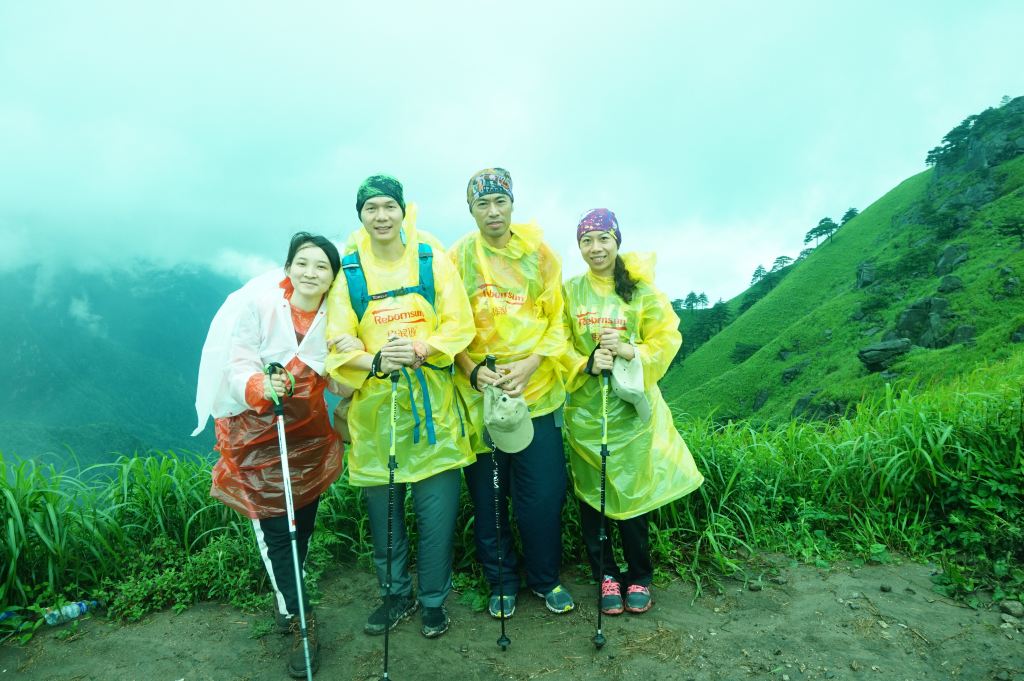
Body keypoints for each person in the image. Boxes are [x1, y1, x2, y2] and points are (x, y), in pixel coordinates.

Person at [194, 231, 356, 677]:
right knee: (276, 533)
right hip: (257, 439)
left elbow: (343, 384)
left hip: (307, 439)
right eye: (302, 262)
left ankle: (288, 597)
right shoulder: (260, 307)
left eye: (321, 266)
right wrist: (262, 386)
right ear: (288, 268)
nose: (311, 272)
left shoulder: (336, 320)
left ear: (332, 277)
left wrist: (354, 354)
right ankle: (299, 621)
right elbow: (238, 362)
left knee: (301, 527)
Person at [324, 174, 475, 639]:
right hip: (376, 417)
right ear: (361, 216)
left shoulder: (431, 257)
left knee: (436, 519)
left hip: (434, 415)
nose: (382, 216)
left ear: (404, 210)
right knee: (385, 518)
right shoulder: (349, 271)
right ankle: (394, 595)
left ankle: (432, 600)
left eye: (389, 206)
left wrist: (424, 348)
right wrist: (375, 360)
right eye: (372, 209)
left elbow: (458, 322)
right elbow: (336, 342)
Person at [561, 208, 704, 615]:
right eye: (586, 241)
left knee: (634, 495)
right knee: (594, 497)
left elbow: (666, 338)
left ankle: (639, 573)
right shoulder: (570, 292)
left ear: (617, 241)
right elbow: (557, 342)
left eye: (603, 238)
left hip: (630, 414)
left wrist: (629, 350)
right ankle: (605, 575)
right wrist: (586, 363)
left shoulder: (640, 291)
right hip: (587, 412)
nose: (595, 248)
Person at [449, 167, 574, 618]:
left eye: (500, 202)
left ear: (512, 204)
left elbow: (557, 320)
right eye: (483, 204)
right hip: (483, 399)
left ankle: (545, 579)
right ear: (471, 210)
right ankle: (500, 580)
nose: (493, 211)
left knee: (542, 495)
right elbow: (449, 326)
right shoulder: (458, 257)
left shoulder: (539, 255)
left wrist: (533, 361)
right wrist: (470, 369)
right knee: (488, 496)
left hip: (536, 395)